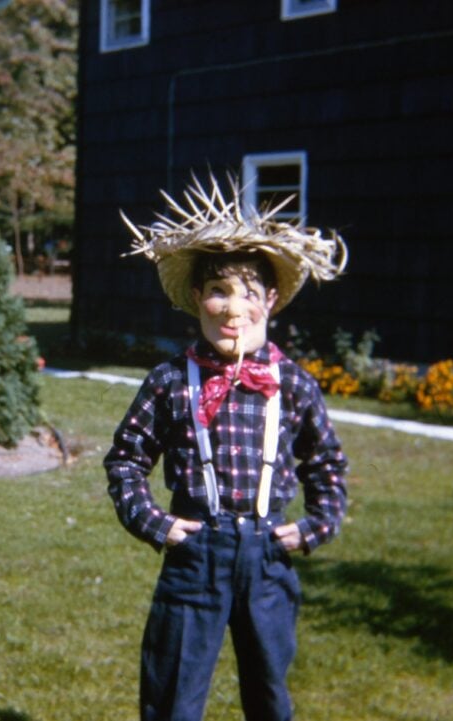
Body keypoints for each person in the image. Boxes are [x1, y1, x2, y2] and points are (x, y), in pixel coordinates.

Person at [104, 175, 350, 721]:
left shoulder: (295, 385)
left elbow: (326, 462)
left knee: (268, 695)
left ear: (272, 300)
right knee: (173, 695)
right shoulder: (170, 381)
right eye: (218, 290)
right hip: (196, 554)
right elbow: (126, 459)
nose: (232, 308)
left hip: (267, 556)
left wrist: (315, 526)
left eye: (247, 293)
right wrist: (154, 522)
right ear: (196, 298)